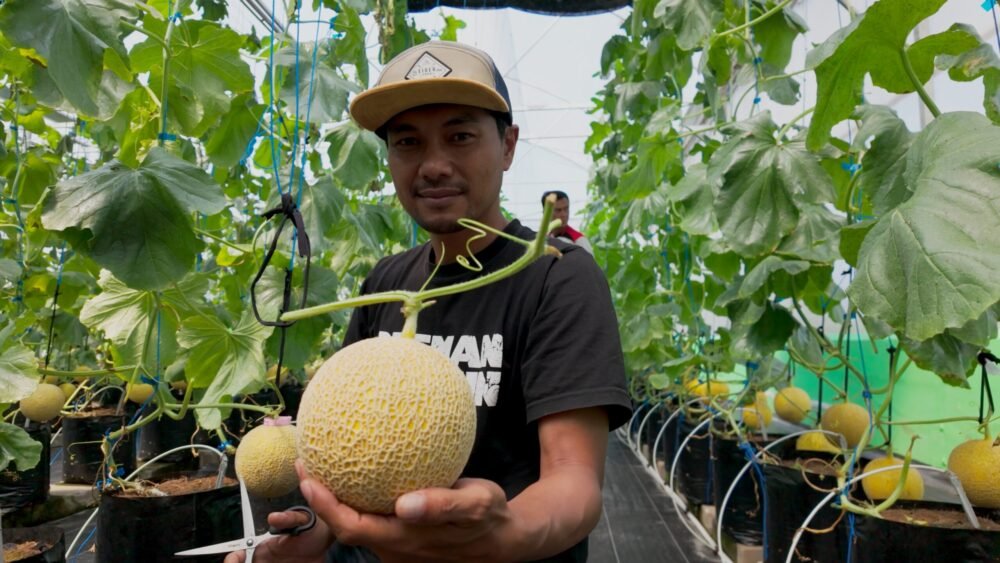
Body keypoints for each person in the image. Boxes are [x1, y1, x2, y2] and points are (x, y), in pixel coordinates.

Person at [226, 40, 630, 563]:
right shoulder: (386, 279)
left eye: (460, 136)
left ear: (508, 146)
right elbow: (347, 463)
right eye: (408, 143)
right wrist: (311, 532)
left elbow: (575, 484)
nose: (433, 165)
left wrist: (498, 535)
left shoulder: (558, 276)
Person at [540, 190, 593, 255]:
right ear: (546, 213)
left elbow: (588, 264)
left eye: (566, 209)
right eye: (558, 210)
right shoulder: (543, 241)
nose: (564, 214)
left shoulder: (579, 240)